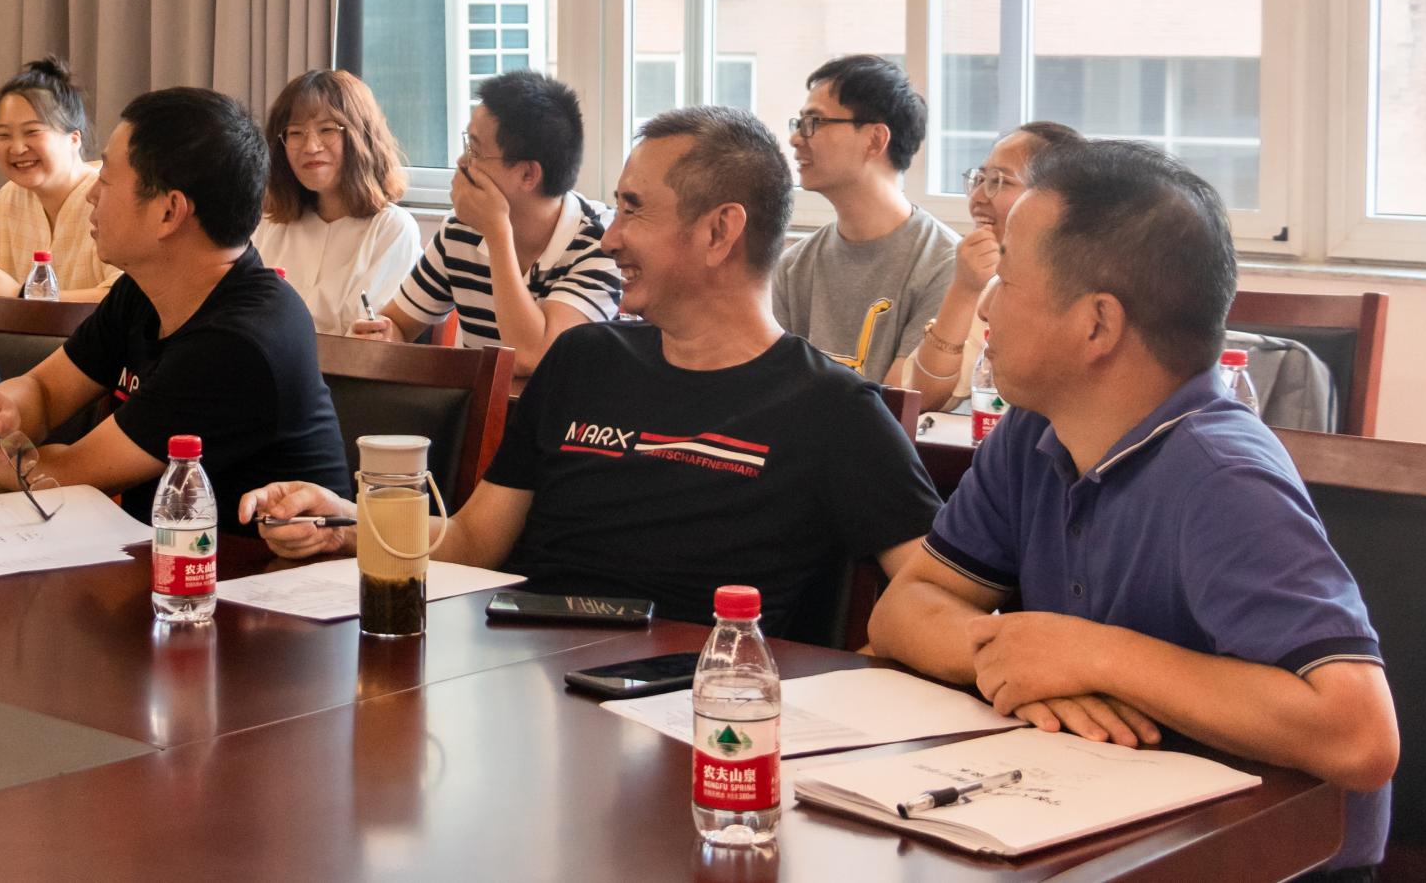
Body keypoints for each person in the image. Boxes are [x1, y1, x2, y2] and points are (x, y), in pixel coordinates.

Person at [868, 141, 1398, 879]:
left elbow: (1361, 736)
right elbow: (904, 608)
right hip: (1106, 819)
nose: (987, 304)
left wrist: (1096, 655)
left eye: (1008, 281)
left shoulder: (1221, 477)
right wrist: (1017, 657)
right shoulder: (1035, 430)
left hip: (1267, 855)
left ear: (1097, 325)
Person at [243, 107, 942, 630]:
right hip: (521, 680)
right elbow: (474, 540)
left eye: (633, 210)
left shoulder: (832, 409)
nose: (610, 238)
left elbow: (931, 594)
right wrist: (344, 521)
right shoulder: (582, 361)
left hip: (691, 711)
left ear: (720, 230)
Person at [0, 87, 350, 530]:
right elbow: (44, 391)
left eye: (106, 180)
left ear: (169, 212)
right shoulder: (143, 289)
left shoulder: (238, 341)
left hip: (254, 569)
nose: (90, 195)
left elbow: (66, 478)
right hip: (162, 558)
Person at [355, 71, 622, 377]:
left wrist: (497, 234)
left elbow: (530, 358)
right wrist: (384, 334)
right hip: (481, 407)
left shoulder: (601, 242)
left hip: (562, 408)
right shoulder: (460, 231)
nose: (461, 162)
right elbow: (400, 324)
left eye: (475, 150)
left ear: (528, 175)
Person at [773, 54, 957, 385]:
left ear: (875, 140)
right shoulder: (794, 266)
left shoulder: (944, 263)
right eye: (798, 123)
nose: (796, 138)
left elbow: (903, 399)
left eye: (814, 122)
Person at [901, 121, 1083, 412]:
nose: (978, 197)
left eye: (1000, 182)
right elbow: (919, 399)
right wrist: (964, 289)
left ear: (1055, 197)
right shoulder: (991, 281)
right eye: (980, 179)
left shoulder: (1082, 288)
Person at [253, 69, 421, 335]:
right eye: (295, 133)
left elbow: (369, 339)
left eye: (327, 129)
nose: (311, 146)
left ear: (360, 136)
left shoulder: (391, 229)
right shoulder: (269, 223)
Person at [0, 57, 118, 302]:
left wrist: (22, 294)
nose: (17, 148)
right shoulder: (8, 199)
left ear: (74, 139)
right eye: (3, 135)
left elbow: (128, 301)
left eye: (32, 132)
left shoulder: (108, 198)